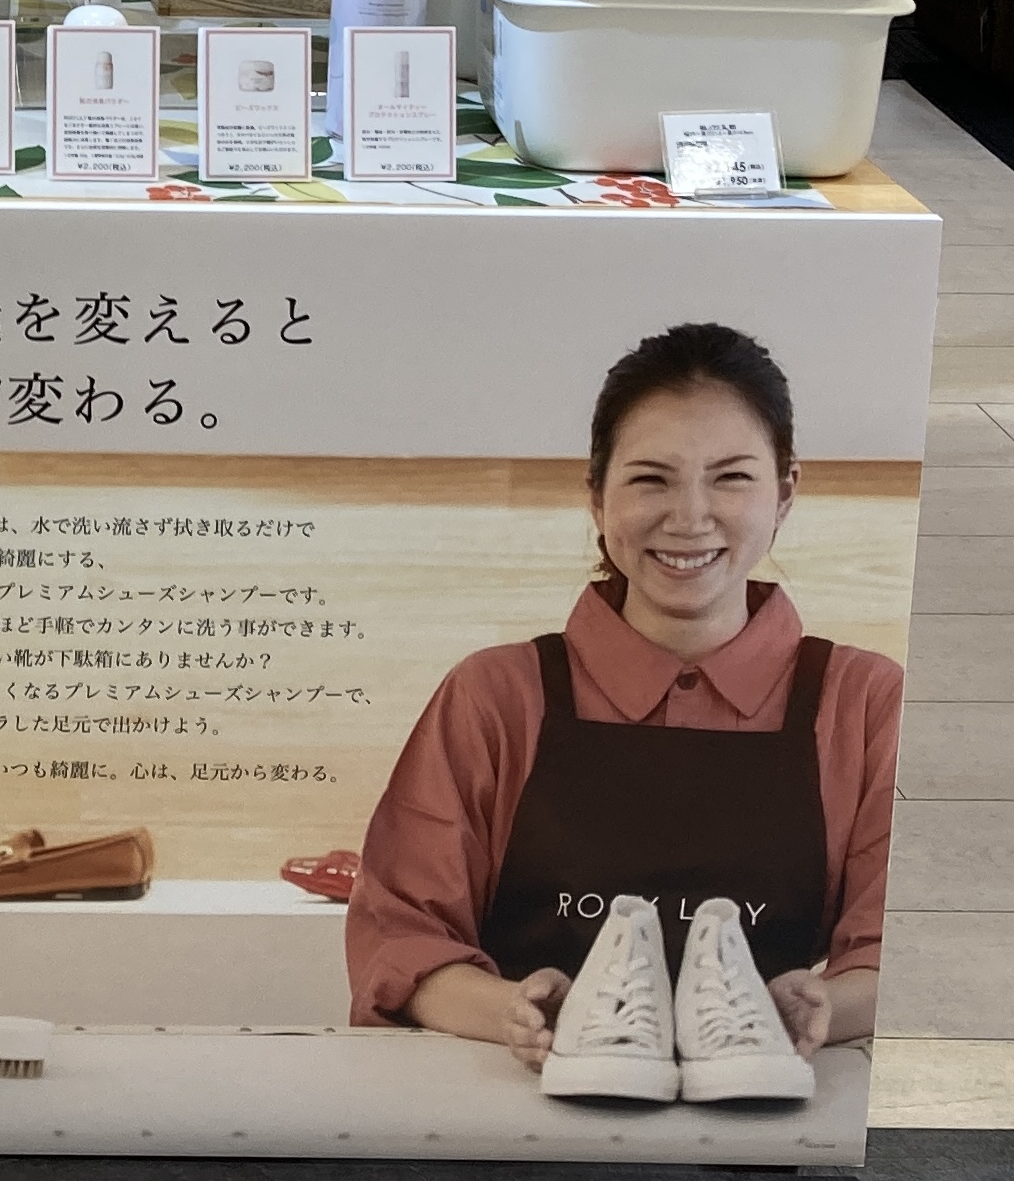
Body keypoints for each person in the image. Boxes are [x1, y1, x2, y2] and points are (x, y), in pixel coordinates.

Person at [345, 322, 900, 1067]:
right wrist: (515, 1012)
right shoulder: (493, 696)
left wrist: (814, 1008)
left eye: (731, 477)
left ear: (785, 493)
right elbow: (401, 936)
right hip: (515, 1109)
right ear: (597, 497)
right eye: (650, 479)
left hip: (767, 1104)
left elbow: (900, 950)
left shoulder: (867, 703)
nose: (690, 516)